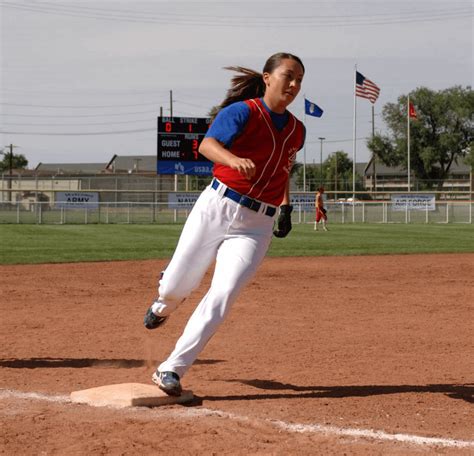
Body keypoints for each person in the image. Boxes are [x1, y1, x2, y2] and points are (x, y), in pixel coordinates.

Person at [143, 52, 306, 396]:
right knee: (175, 286)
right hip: (218, 205)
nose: (294, 85)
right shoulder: (243, 112)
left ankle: (171, 368)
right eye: (288, 76)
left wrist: (286, 206)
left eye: (299, 80)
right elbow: (207, 145)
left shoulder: (297, 130)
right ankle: (163, 304)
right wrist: (233, 159)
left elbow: (283, 169)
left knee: (224, 293)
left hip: (256, 225)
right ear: (267, 77)